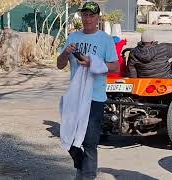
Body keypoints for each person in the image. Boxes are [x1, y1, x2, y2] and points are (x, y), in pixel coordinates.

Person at [57, 1, 118, 179]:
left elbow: (114, 66)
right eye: (85, 15)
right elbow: (60, 65)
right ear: (81, 17)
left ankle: (87, 176)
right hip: (75, 96)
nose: (88, 19)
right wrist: (66, 53)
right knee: (69, 137)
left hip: (95, 97)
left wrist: (93, 63)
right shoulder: (73, 37)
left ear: (98, 18)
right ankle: (83, 168)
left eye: (91, 15)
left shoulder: (105, 39)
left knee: (90, 142)